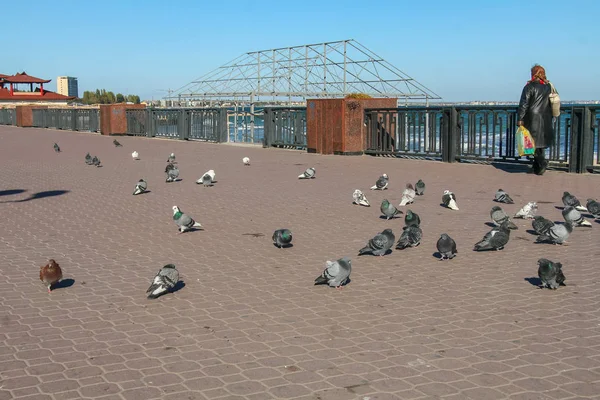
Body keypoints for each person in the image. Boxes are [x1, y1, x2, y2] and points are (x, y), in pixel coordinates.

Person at [517, 64, 554, 175]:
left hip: (533, 118)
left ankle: (542, 162)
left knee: (532, 143)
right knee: (540, 144)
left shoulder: (529, 87)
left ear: (533, 74)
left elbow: (524, 104)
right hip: (546, 117)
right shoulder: (548, 86)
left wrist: (520, 119)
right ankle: (537, 168)